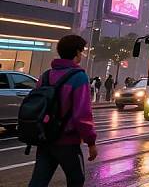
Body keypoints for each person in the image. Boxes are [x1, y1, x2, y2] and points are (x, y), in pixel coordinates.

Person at [28, 35, 97, 187]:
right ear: (77, 52)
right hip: (68, 142)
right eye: (82, 51)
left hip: (44, 138)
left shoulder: (45, 76)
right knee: (76, 180)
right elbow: (82, 114)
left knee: (38, 181)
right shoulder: (79, 77)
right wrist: (91, 142)